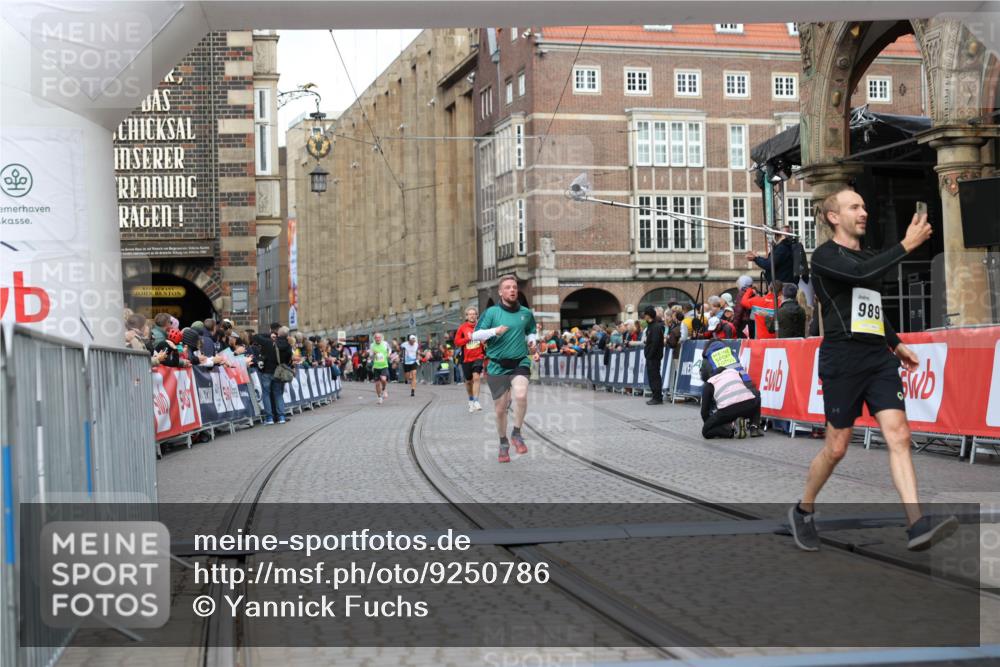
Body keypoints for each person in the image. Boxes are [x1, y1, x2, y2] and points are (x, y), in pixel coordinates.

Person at [788, 187, 957, 553]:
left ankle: (917, 524)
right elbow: (863, 273)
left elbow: (871, 308)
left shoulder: (867, 257)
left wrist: (895, 343)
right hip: (842, 360)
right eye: (855, 206)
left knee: (898, 435)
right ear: (834, 216)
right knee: (837, 447)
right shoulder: (825, 257)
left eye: (864, 205)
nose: (863, 211)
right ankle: (803, 510)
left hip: (877, 360)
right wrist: (906, 245)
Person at [472, 275, 539, 463]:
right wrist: (494, 331)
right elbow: (475, 335)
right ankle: (503, 442)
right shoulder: (492, 313)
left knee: (520, 395)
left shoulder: (526, 312)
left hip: (520, 361)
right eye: (508, 287)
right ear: (500, 292)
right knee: (500, 409)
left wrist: (533, 343)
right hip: (497, 365)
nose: (512, 290)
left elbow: (531, 331)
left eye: (515, 287)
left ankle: (517, 433)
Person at [699, 339, 762, 439]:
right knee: (756, 394)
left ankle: (728, 427)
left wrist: (710, 423)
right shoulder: (731, 352)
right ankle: (754, 427)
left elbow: (704, 377)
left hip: (724, 389)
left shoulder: (707, 358)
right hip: (744, 380)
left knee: (716, 396)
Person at [252, 325, 292, 424]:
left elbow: (256, 336)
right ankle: (281, 417)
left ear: (278, 334)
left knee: (266, 394)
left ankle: (269, 418)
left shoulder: (269, 342)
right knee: (278, 394)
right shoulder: (288, 346)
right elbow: (288, 360)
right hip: (278, 373)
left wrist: (270, 335)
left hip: (267, 371)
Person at [454, 306, 485, 412]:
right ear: (466, 316)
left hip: (478, 356)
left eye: (474, 313)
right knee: (468, 381)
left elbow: (486, 338)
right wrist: (468, 338)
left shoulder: (481, 326)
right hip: (466, 358)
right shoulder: (462, 328)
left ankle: (476, 400)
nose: (472, 315)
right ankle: (471, 399)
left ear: (477, 315)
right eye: (470, 314)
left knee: (476, 377)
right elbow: (457, 342)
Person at [641, 305, 665, 405]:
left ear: (648, 315)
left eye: (645, 315)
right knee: (652, 377)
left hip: (654, 357)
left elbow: (655, 343)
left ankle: (657, 397)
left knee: (655, 377)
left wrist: (649, 354)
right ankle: (655, 396)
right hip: (651, 356)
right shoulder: (651, 326)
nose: (644, 317)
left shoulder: (655, 327)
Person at [370, 332, 390, 404]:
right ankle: (379, 397)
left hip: (384, 365)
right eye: (376, 337)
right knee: (377, 383)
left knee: (384, 379)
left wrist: (388, 355)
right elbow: (371, 356)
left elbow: (389, 350)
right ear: (374, 338)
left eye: (379, 337)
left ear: (381, 338)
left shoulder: (385, 343)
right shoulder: (372, 345)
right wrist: (373, 355)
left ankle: (384, 389)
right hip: (376, 366)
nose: (377, 339)